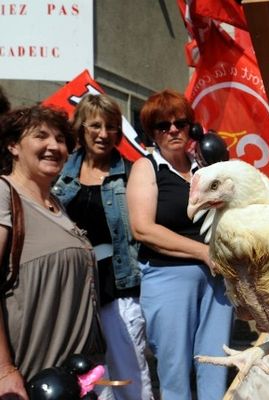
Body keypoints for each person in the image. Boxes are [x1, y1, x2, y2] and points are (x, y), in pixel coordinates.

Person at [127, 89, 233, 400]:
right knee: (174, 372)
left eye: (181, 123)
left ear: (192, 128)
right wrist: (203, 252)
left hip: (216, 281)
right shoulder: (146, 168)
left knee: (217, 364)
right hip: (169, 278)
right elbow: (143, 228)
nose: (173, 130)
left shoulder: (205, 167)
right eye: (163, 125)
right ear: (152, 132)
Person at [52, 94, 153, 400]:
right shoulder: (59, 170)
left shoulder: (133, 171)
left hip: (117, 285)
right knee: (90, 374)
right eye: (96, 125)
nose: (104, 134)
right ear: (81, 128)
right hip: (74, 287)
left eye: (111, 126)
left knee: (130, 369)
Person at [0, 105, 104, 397]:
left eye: (60, 139)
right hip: (28, 377)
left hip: (71, 379)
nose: (54, 146)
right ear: (13, 145)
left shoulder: (59, 205)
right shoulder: (4, 193)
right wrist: (4, 370)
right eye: (41, 136)